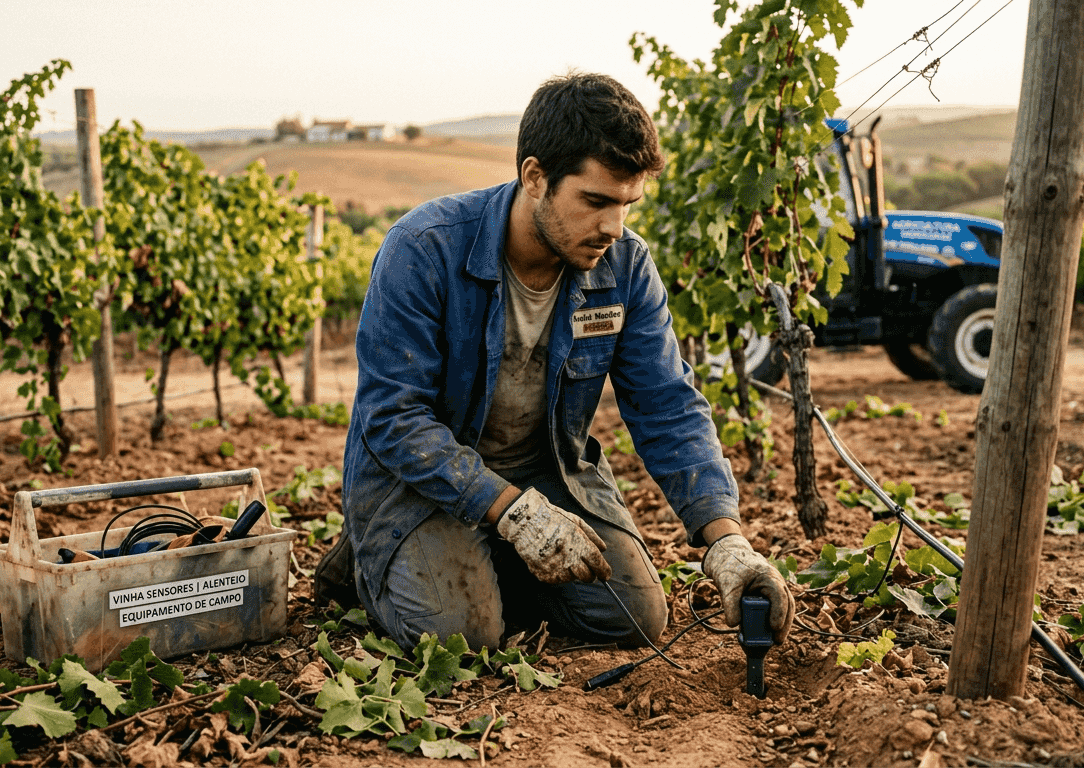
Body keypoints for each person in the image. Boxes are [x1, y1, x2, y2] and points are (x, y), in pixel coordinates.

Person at [324, 71, 793, 653]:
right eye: (595, 201)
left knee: (638, 618)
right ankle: (379, 555)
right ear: (535, 177)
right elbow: (393, 418)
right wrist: (513, 515)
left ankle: (477, 566)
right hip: (424, 483)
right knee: (460, 639)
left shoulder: (625, 266)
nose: (613, 227)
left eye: (627, 204)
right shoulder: (424, 248)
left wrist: (727, 542)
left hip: (547, 475)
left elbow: (667, 403)